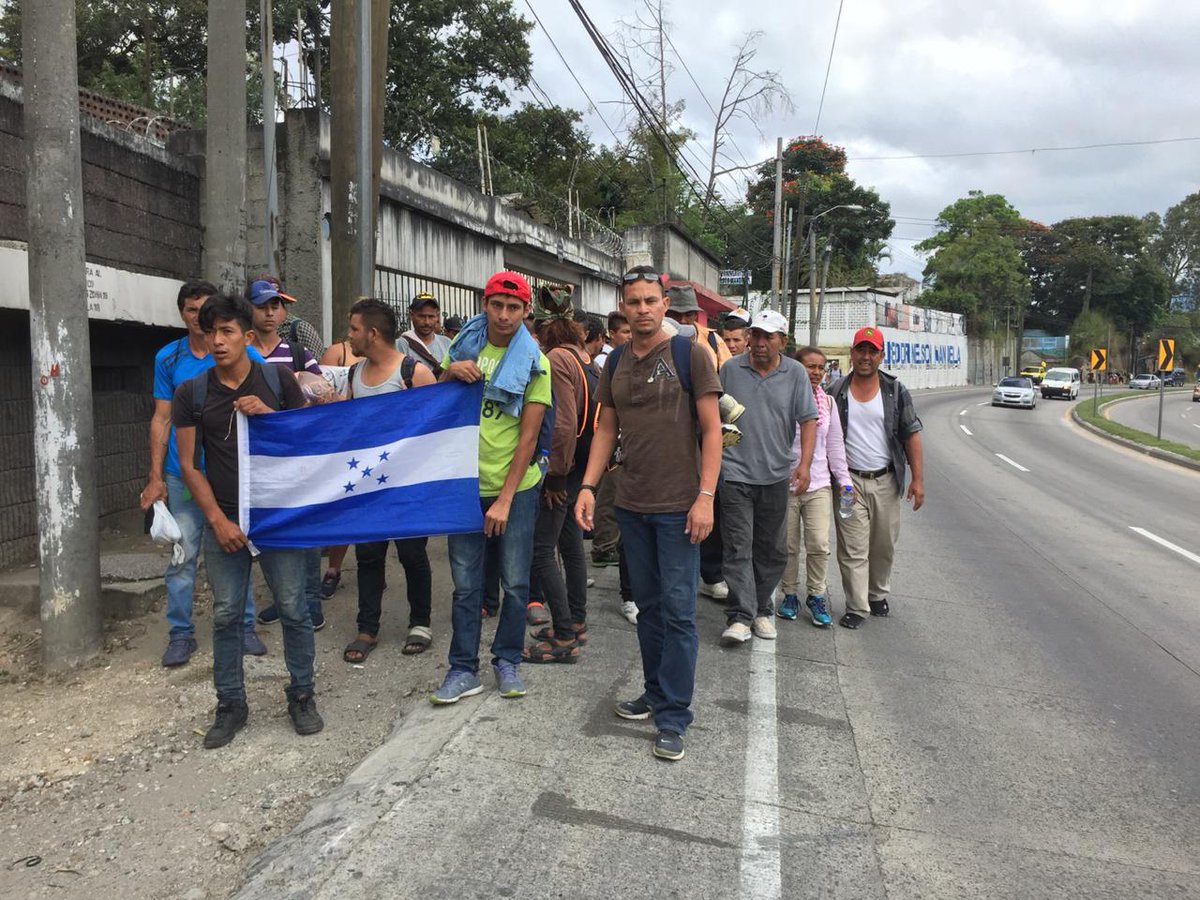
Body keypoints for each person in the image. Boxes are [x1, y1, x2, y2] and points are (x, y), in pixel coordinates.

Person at [575, 265, 722, 762]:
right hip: (633, 505)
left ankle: (674, 714)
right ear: (623, 306)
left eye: (649, 301)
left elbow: (713, 430)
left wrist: (705, 496)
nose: (641, 309)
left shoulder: (691, 354)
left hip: (680, 507)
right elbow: (604, 430)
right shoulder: (614, 361)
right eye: (632, 302)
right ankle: (655, 692)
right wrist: (590, 486)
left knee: (680, 613)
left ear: (664, 305)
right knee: (650, 610)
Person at [172, 293, 322, 749]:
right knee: (225, 615)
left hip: (278, 520)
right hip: (226, 522)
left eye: (227, 332)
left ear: (248, 337)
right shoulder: (191, 393)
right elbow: (189, 465)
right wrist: (217, 520)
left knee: (294, 609)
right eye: (209, 331)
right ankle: (231, 704)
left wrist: (271, 416)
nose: (216, 341)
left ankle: (301, 695)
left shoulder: (277, 381)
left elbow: (309, 445)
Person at [432, 271, 551, 704]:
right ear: (485, 304)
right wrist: (449, 375)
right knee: (465, 585)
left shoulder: (537, 362)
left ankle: (507, 659)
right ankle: (463, 669)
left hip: (516, 489)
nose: (503, 316)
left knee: (515, 582)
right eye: (497, 305)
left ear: (525, 312)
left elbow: (529, 437)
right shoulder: (462, 347)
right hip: (463, 484)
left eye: (513, 308)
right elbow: (433, 409)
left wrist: (503, 499)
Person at [140, 280, 265, 667]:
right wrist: (155, 476)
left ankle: (245, 626)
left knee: (236, 546)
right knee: (182, 554)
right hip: (183, 475)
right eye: (192, 311)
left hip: (230, 477)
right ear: (182, 314)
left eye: (207, 310)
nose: (201, 319)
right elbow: (161, 420)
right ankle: (181, 633)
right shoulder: (169, 359)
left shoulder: (245, 356)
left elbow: (272, 412)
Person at [337, 299, 438, 664]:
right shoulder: (353, 376)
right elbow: (344, 422)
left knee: (412, 554)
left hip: (407, 488)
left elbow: (435, 426)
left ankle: (420, 622)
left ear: (373, 333)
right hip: (366, 489)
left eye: (353, 329)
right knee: (367, 556)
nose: (349, 336)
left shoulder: (413, 372)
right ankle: (367, 628)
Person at [717, 310, 817, 645]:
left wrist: (804, 465)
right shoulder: (730, 369)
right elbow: (713, 413)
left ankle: (761, 608)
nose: (759, 343)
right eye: (755, 335)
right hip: (734, 473)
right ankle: (741, 616)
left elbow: (808, 421)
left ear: (782, 341)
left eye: (768, 337)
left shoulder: (796, 373)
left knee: (772, 550)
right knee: (737, 546)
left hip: (776, 474)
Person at [829, 326, 925, 629]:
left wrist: (918, 480)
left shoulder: (895, 391)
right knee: (852, 547)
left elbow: (911, 435)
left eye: (872, 351)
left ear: (881, 355)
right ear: (852, 352)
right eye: (861, 350)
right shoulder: (836, 391)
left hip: (886, 480)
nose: (866, 356)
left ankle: (876, 593)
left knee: (883, 545)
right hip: (848, 483)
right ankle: (857, 606)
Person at [247, 280, 325, 631]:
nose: (271, 312)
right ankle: (283, 598)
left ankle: (310, 601)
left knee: (304, 530)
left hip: (296, 455)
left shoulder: (297, 352)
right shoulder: (239, 351)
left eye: (277, 305)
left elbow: (323, 393)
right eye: (263, 305)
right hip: (256, 460)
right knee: (267, 531)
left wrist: (296, 382)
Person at [523, 286, 591, 664]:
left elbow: (562, 425)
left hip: (563, 469)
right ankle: (576, 620)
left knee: (540, 550)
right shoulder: (584, 357)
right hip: (581, 466)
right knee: (570, 545)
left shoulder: (556, 359)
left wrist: (554, 477)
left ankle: (564, 635)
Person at [665, 283, 730, 603]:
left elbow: (728, 386)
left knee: (708, 505)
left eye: (689, 314)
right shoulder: (655, 341)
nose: (684, 320)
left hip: (705, 438)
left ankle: (711, 573)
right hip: (668, 442)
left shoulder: (714, 342)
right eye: (677, 314)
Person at [779, 346, 852, 627]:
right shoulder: (783, 398)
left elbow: (834, 446)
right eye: (810, 366)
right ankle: (789, 594)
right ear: (796, 367)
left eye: (821, 367)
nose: (816, 372)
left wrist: (844, 482)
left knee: (819, 544)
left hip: (819, 484)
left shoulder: (828, 404)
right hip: (785, 484)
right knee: (787, 546)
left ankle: (816, 594)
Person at [316, 334, 365, 599]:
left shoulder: (390, 359)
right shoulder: (337, 353)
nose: (353, 331)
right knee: (338, 508)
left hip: (372, 449)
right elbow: (322, 394)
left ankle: (371, 569)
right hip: (341, 445)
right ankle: (332, 570)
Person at [253, 274, 326, 360]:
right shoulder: (244, 333)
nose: (270, 312)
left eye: (274, 306)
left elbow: (319, 366)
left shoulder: (300, 328)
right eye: (261, 306)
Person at [402, 292, 451, 377]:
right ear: (411, 316)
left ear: (437, 317)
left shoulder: (447, 343)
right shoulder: (401, 344)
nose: (427, 322)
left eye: (431, 316)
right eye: (421, 316)